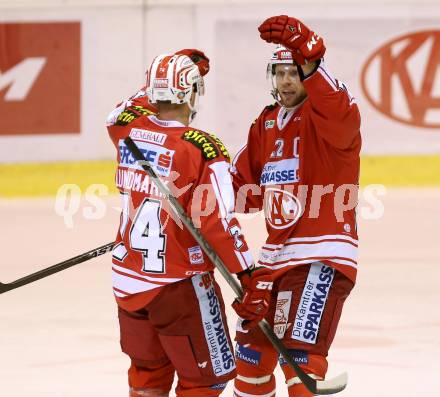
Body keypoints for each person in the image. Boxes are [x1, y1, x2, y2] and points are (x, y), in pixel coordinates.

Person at [106, 51, 273, 397]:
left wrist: (161, 77)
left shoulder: (127, 131)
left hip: (127, 283)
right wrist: (247, 276)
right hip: (179, 287)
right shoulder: (202, 149)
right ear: (192, 93)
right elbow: (216, 223)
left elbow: (118, 112)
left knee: (147, 371)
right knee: (205, 380)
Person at [231, 15, 361, 397]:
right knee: (251, 356)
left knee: (299, 362)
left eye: (294, 71)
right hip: (275, 259)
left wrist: (314, 62)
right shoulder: (267, 123)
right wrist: (189, 191)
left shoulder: (327, 116)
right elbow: (242, 188)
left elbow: (342, 116)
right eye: (280, 72)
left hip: (320, 253)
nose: (287, 80)